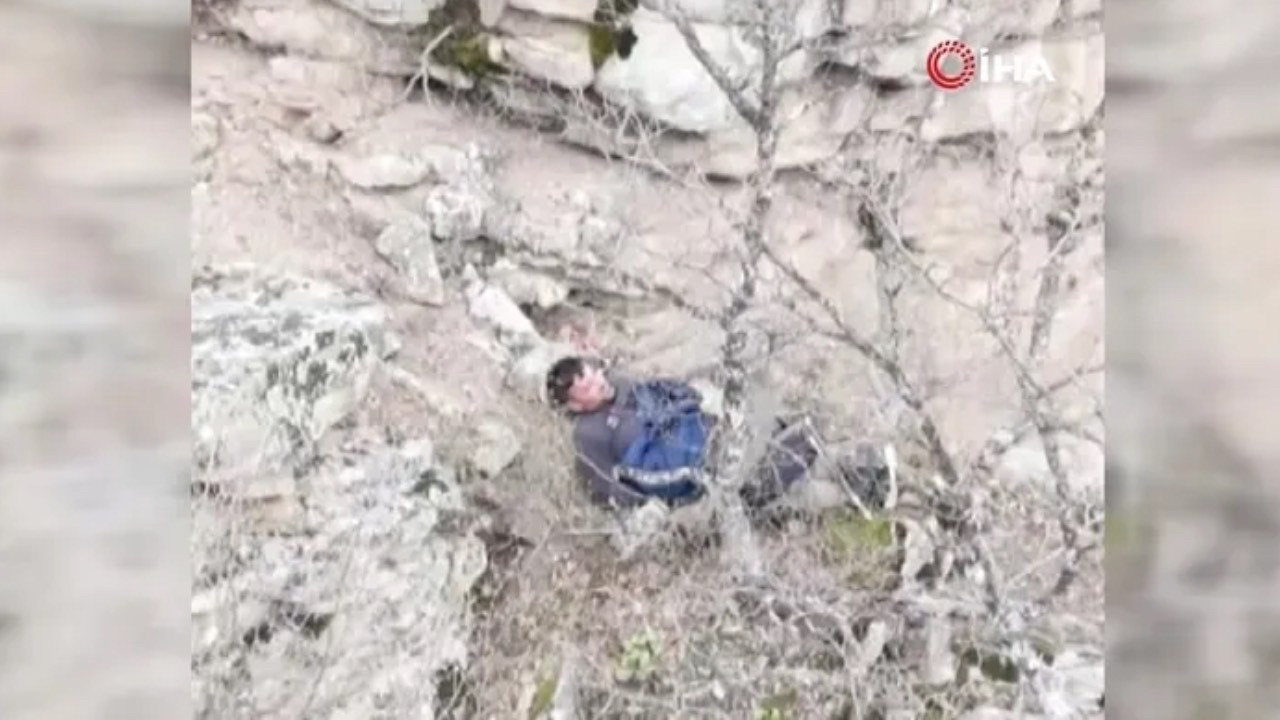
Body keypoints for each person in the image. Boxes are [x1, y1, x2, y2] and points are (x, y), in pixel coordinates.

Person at [544, 355, 822, 513]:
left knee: (781, 426)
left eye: (594, 375)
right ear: (575, 405)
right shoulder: (588, 435)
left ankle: (787, 442)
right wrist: (652, 507)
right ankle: (757, 486)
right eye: (588, 388)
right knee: (795, 451)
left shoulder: (621, 382)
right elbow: (605, 490)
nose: (599, 383)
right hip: (688, 472)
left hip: (704, 432)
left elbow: (671, 393)